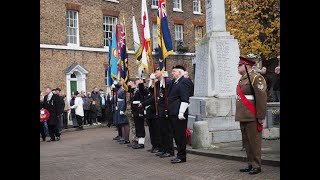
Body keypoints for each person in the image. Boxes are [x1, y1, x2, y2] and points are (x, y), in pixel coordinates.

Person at [236, 56, 267, 175]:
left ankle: (256, 165)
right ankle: (250, 163)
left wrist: (260, 116)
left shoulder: (256, 78)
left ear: (247, 66)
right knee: (247, 142)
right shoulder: (242, 79)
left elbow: (261, 98)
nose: (238, 67)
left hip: (252, 115)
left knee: (254, 142)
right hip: (243, 115)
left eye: (240, 65)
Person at [167, 65, 193, 164]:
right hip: (173, 112)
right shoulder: (175, 82)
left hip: (179, 113)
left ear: (180, 72)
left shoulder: (184, 81)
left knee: (180, 135)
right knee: (176, 135)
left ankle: (182, 156)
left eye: (174, 71)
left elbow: (185, 97)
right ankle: (180, 154)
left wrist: (181, 112)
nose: (172, 73)